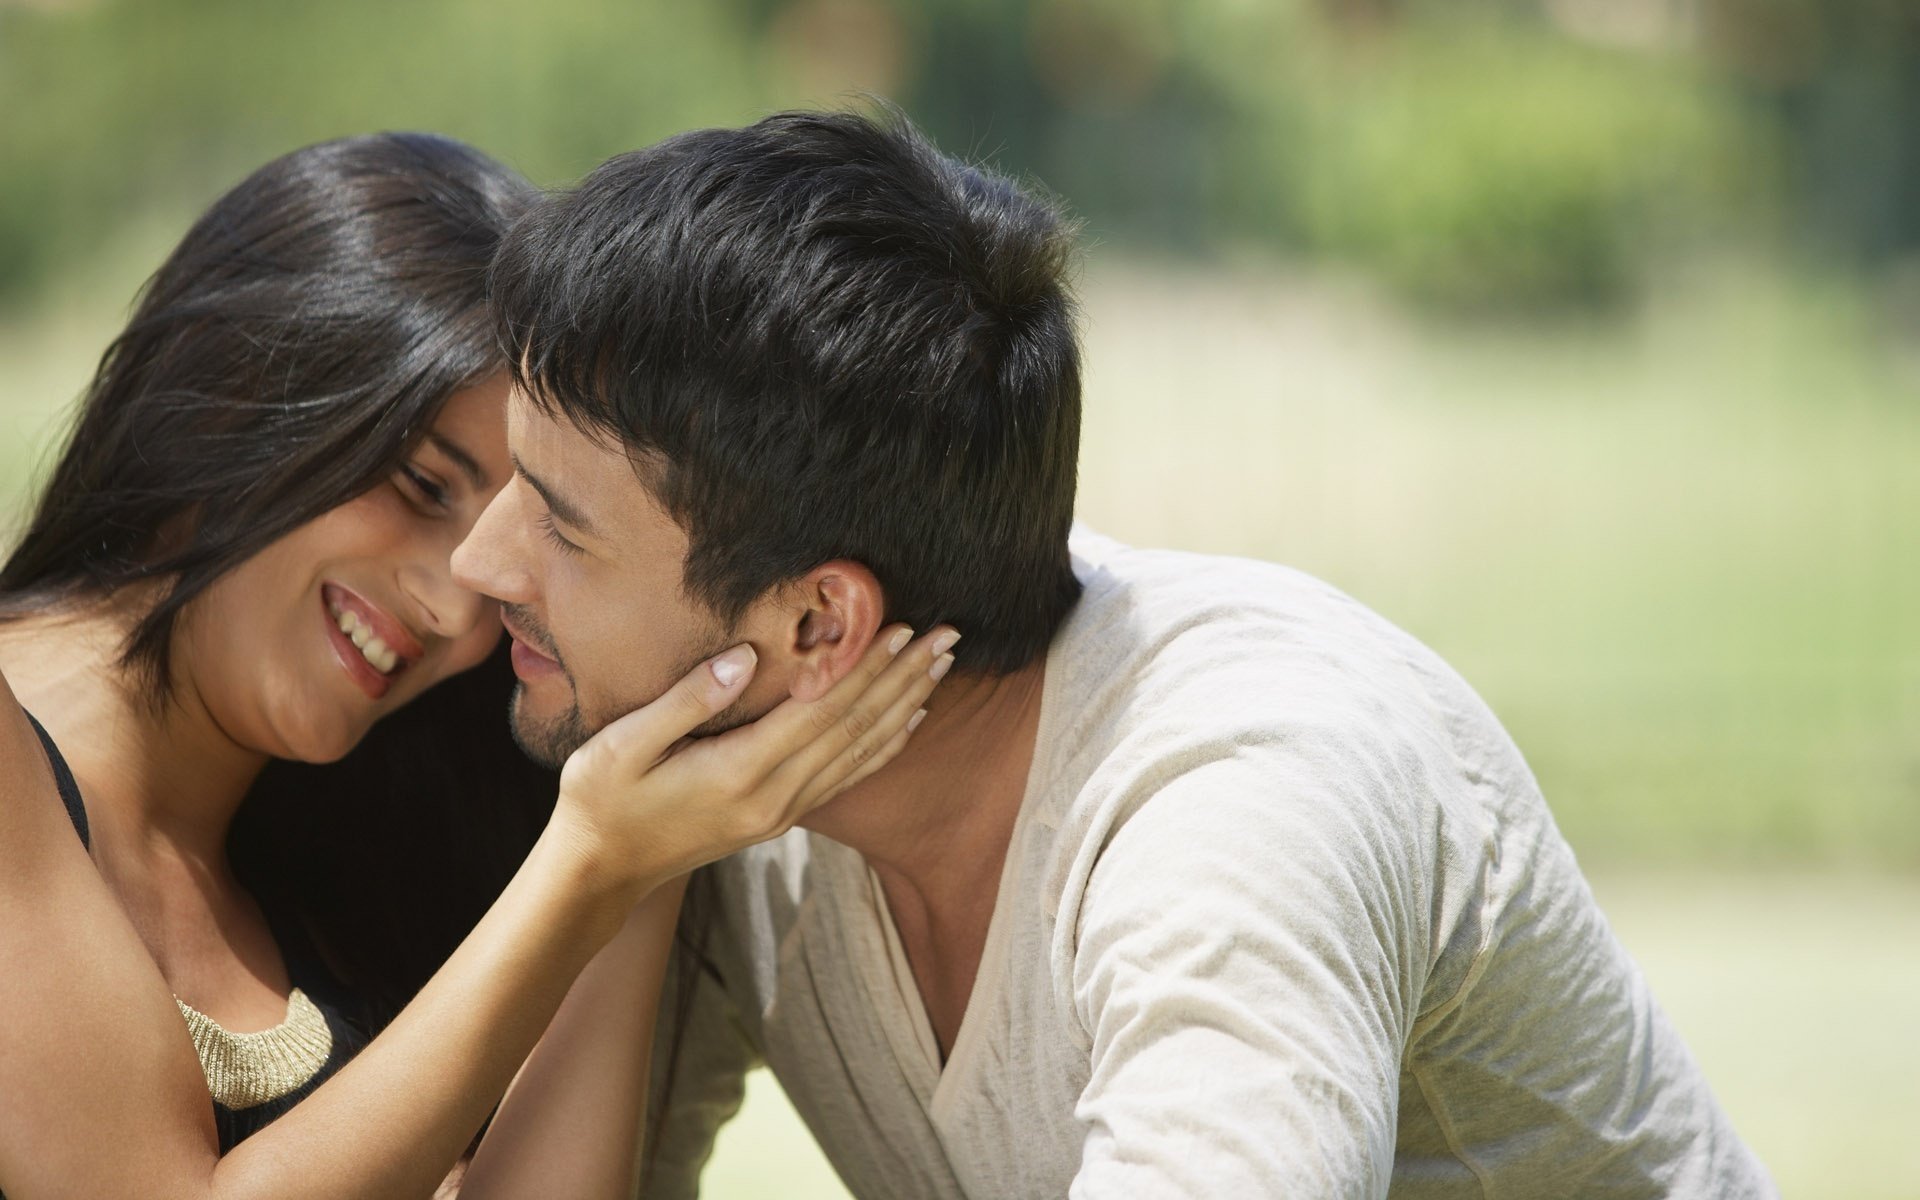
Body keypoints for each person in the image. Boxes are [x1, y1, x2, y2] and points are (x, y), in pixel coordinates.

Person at [451, 108, 1779, 1198]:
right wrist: (605, 870)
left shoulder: (1242, 793)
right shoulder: (715, 786)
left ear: (818, 627)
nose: (480, 566)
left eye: (560, 527)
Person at [0, 131, 953, 1199]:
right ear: (233, 391)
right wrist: (588, 869)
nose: (460, 596)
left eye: (547, 525)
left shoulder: (342, 852)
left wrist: (641, 832)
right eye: (421, 484)